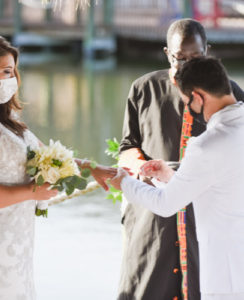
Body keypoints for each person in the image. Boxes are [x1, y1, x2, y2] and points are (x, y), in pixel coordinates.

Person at [0, 34, 116, 299]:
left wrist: (92, 168)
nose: (12, 80)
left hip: (14, 241)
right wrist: (32, 192)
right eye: (6, 72)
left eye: (13, 72)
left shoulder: (5, 118)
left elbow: (46, 157)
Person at [118, 19, 244, 300]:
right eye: (180, 58)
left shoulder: (227, 91)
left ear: (208, 51)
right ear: (167, 53)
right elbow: (128, 146)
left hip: (204, 216)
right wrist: (142, 169)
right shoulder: (144, 88)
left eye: (195, 58)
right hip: (152, 218)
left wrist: (120, 181)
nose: (187, 65)